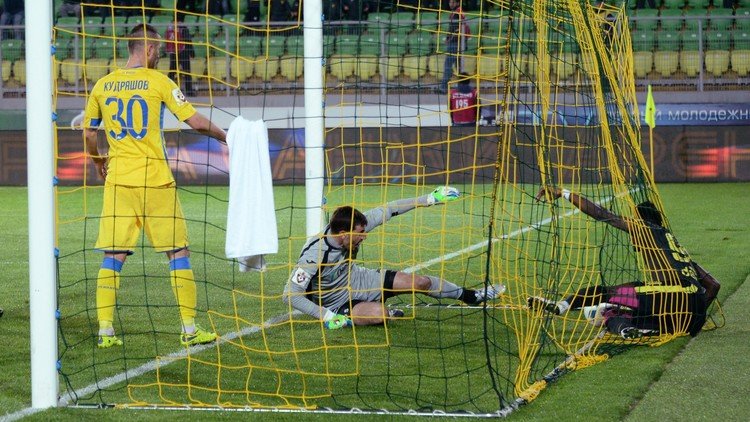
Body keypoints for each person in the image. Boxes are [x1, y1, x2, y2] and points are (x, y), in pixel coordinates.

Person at [83, 24, 227, 348]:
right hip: (156, 181)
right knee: (178, 252)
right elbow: (194, 121)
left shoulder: (103, 85)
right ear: (148, 49)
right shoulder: (160, 81)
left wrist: (97, 162)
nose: (160, 55)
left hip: (119, 180)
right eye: (160, 50)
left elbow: (90, 134)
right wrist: (227, 136)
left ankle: (105, 332)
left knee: (113, 255)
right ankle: (189, 330)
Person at [282, 187, 505, 329]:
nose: (364, 237)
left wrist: (430, 198)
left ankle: (472, 296)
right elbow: (290, 295)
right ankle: (376, 314)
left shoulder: (357, 224)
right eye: (360, 235)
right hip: (337, 301)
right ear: (343, 234)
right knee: (379, 315)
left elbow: (390, 209)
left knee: (421, 282)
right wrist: (327, 316)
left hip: (361, 279)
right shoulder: (313, 255)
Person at [528, 186, 710, 340]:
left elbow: (602, 214)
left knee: (607, 297)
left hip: (675, 292)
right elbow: (713, 285)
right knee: (631, 299)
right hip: (692, 309)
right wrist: (697, 314)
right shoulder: (674, 244)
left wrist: (563, 192)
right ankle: (632, 329)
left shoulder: (645, 228)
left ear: (641, 221)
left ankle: (562, 307)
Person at [439, 0, 468, 93]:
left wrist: (448, 40)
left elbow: (456, 31)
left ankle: (443, 88)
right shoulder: (459, 12)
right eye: (450, 2)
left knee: (448, 65)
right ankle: (462, 88)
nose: (450, 4)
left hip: (455, 44)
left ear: (457, 3)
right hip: (460, 43)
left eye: (453, 2)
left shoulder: (457, 14)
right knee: (459, 67)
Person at [164, 20, 195, 96]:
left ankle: (167, 90)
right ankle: (189, 92)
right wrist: (192, 53)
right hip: (183, 52)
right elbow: (188, 41)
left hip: (174, 52)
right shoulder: (183, 28)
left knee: (172, 72)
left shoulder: (169, 28)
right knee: (187, 73)